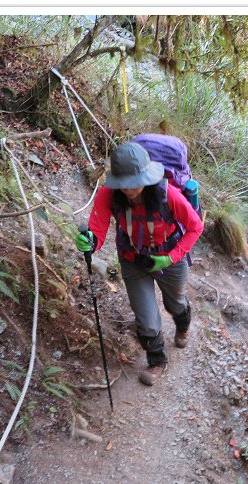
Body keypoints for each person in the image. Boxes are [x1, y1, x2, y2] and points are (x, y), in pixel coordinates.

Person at [75, 142, 203, 386]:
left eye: (135, 182)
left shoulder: (168, 194)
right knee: (145, 315)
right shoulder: (108, 195)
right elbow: (97, 230)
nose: (129, 189)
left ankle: (182, 326)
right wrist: (89, 241)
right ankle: (157, 361)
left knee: (174, 301)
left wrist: (170, 257)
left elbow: (195, 227)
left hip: (169, 257)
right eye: (124, 183)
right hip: (133, 258)